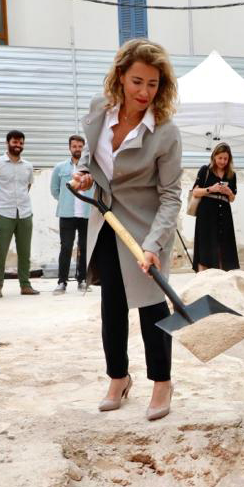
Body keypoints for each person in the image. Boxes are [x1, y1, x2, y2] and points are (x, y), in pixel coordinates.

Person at [72, 38, 182, 421]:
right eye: (137, 81)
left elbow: (171, 196)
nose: (144, 92)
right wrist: (84, 174)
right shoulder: (99, 110)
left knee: (152, 308)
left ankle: (162, 383)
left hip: (146, 228)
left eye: (153, 84)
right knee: (112, 307)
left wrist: (154, 244)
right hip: (104, 220)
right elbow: (90, 153)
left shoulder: (165, 133)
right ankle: (118, 377)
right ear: (120, 77)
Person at [0, 130, 39, 298]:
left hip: (24, 213)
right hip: (3, 213)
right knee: (0, 251)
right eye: (15, 142)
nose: (18, 145)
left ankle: (25, 285)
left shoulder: (28, 166)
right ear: (7, 143)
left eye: (21, 143)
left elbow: (27, 187)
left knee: (25, 251)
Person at [50, 134, 92, 295]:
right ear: (70, 148)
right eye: (74, 146)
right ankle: (62, 282)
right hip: (67, 214)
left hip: (86, 213)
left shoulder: (90, 168)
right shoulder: (60, 168)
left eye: (80, 146)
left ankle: (82, 280)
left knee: (84, 247)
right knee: (66, 247)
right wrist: (65, 201)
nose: (77, 149)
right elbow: (55, 190)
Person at [191, 142, 239, 272]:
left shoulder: (232, 175)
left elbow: (233, 198)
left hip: (224, 212)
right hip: (206, 212)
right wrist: (210, 189)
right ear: (214, 157)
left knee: (224, 245)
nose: (223, 161)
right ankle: (202, 277)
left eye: (225, 158)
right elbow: (195, 192)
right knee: (205, 244)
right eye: (220, 158)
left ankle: (223, 277)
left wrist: (228, 192)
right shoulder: (205, 170)